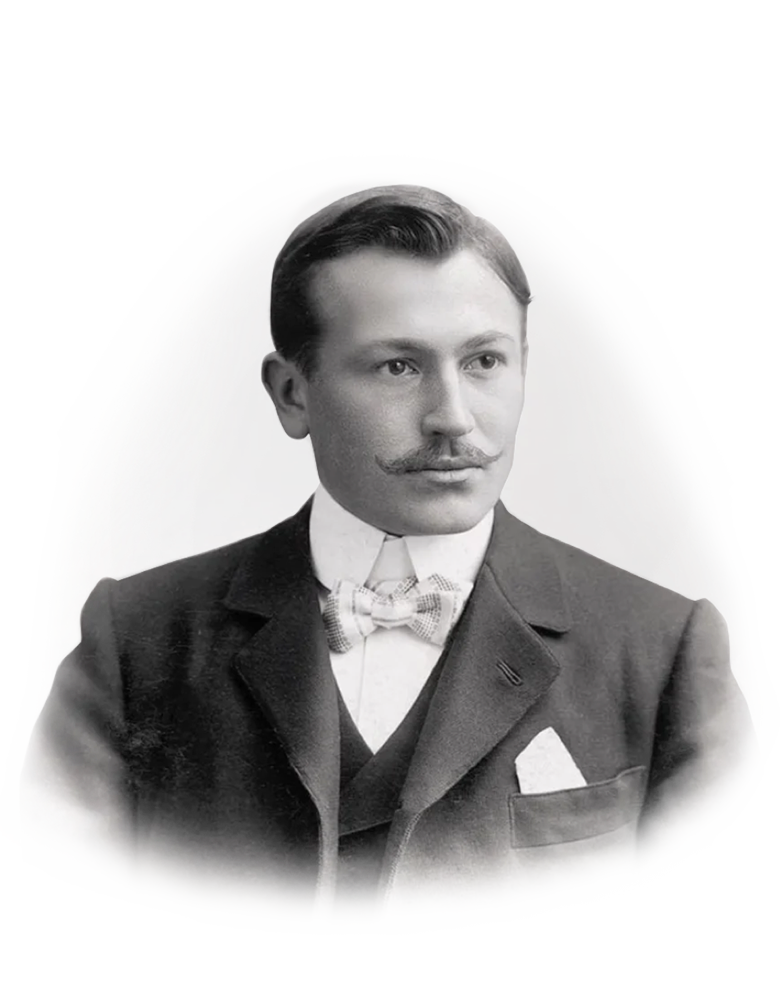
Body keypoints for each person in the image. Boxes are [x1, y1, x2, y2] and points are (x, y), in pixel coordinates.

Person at [19, 184, 746, 935]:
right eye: (398, 367)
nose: (452, 418)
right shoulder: (137, 638)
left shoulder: (660, 649)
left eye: (485, 361)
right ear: (292, 395)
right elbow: (48, 915)